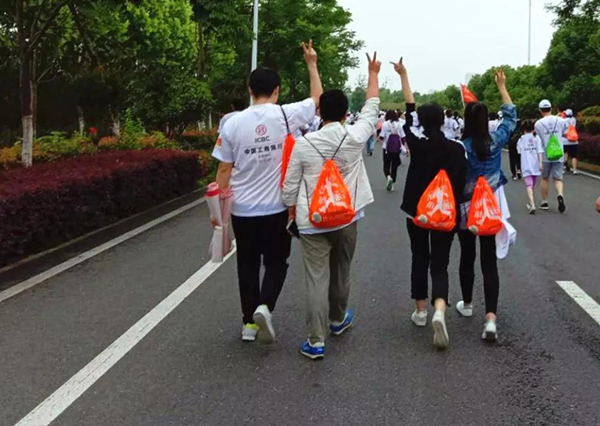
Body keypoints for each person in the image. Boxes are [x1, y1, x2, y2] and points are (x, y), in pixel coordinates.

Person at [213, 40, 323, 343]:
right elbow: (317, 99)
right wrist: (311, 63)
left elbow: (223, 170)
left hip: (242, 210)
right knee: (276, 262)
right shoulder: (286, 115)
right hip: (277, 208)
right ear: (277, 90)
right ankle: (265, 305)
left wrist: (219, 212)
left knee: (246, 265)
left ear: (250, 90)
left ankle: (249, 324)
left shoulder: (232, 124)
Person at [282, 52, 380, 360]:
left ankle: (316, 341)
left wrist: (291, 212)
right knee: (341, 271)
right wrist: (373, 73)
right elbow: (372, 108)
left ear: (319, 111)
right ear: (346, 113)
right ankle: (338, 320)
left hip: (312, 221)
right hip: (346, 218)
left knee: (316, 278)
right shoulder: (355, 136)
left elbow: (289, 188)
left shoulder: (303, 144)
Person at [394, 57, 467, 349]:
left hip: (416, 211)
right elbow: (461, 182)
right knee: (440, 262)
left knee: (419, 257)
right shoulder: (456, 149)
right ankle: (440, 307)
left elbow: (410, 111)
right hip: (445, 214)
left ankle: (421, 311)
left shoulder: (416, 142)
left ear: (422, 122)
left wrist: (404, 76)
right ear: (443, 120)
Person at [456, 69, 517, 343]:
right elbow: (511, 117)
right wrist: (502, 87)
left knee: (467, 256)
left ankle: (468, 303)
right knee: (489, 261)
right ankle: (491, 318)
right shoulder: (495, 141)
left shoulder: (461, 146)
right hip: (491, 208)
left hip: (466, 209)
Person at [534, 99, 568, 213]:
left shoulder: (538, 124)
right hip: (558, 153)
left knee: (544, 178)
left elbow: (538, 138)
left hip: (545, 155)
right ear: (551, 108)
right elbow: (565, 133)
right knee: (558, 178)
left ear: (540, 110)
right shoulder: (560, 120)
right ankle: (560, 195)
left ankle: (544, 202)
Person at [517, 120, 544, 214]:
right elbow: (540, 151)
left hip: (526, 164)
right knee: (532, 184)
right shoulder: (537, 138)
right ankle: (531, 202)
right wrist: (541, 163)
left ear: (523, 129)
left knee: (529, 185)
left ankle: (532, 204)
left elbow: (519, 151)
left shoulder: (521, 139)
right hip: (535, 164)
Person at [379, 110, 405, 191]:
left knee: (386, 164)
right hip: (396, 148)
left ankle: (388, 176)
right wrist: (405, 147)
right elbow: (403, 137)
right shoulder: (399, 124)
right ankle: (393, 181)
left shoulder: (385, 124)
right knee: (394, 166)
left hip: (386, 148)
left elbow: (382, 136)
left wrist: (379, 140)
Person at [563, 109, 579, 175]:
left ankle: (563, 167)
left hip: (565, 140)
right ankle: (574, 170)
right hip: (574, 140)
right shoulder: (574, 120)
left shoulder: (563, 120)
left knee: (565, 153)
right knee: (574, 156)